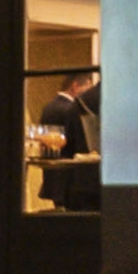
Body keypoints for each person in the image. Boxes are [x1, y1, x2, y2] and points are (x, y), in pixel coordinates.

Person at [37, 67, 101, 210]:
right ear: (75, 85)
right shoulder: (71, 107)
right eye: (86, 85)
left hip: (61, 179)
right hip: (82, 178)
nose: (88, 89)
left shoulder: (51, 106)